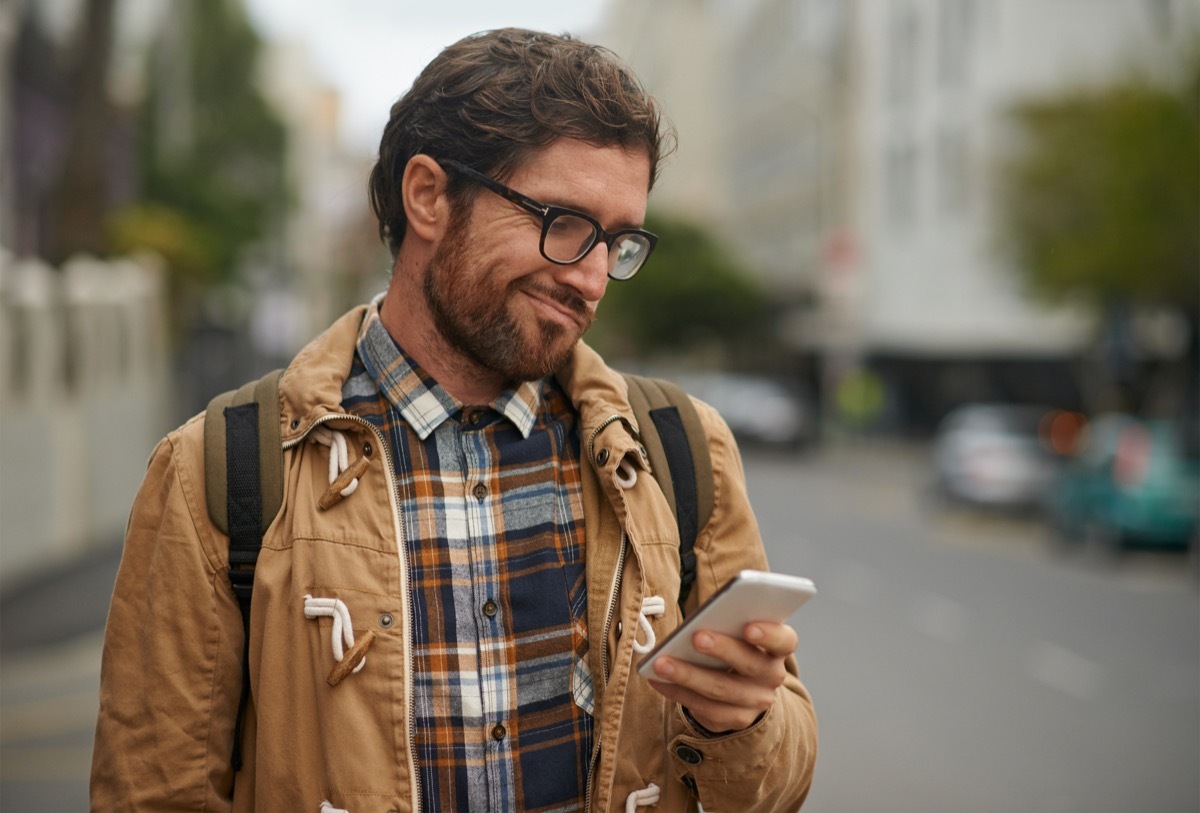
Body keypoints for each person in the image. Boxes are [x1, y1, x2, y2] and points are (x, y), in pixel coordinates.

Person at [91, 27, 817, 813]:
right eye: (564, 222)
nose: (593, 276)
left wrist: (740, 720)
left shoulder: (681, 449)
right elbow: (150, 792)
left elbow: (779, 777)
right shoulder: (221, 469)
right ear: (430, 195)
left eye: (617, 240)